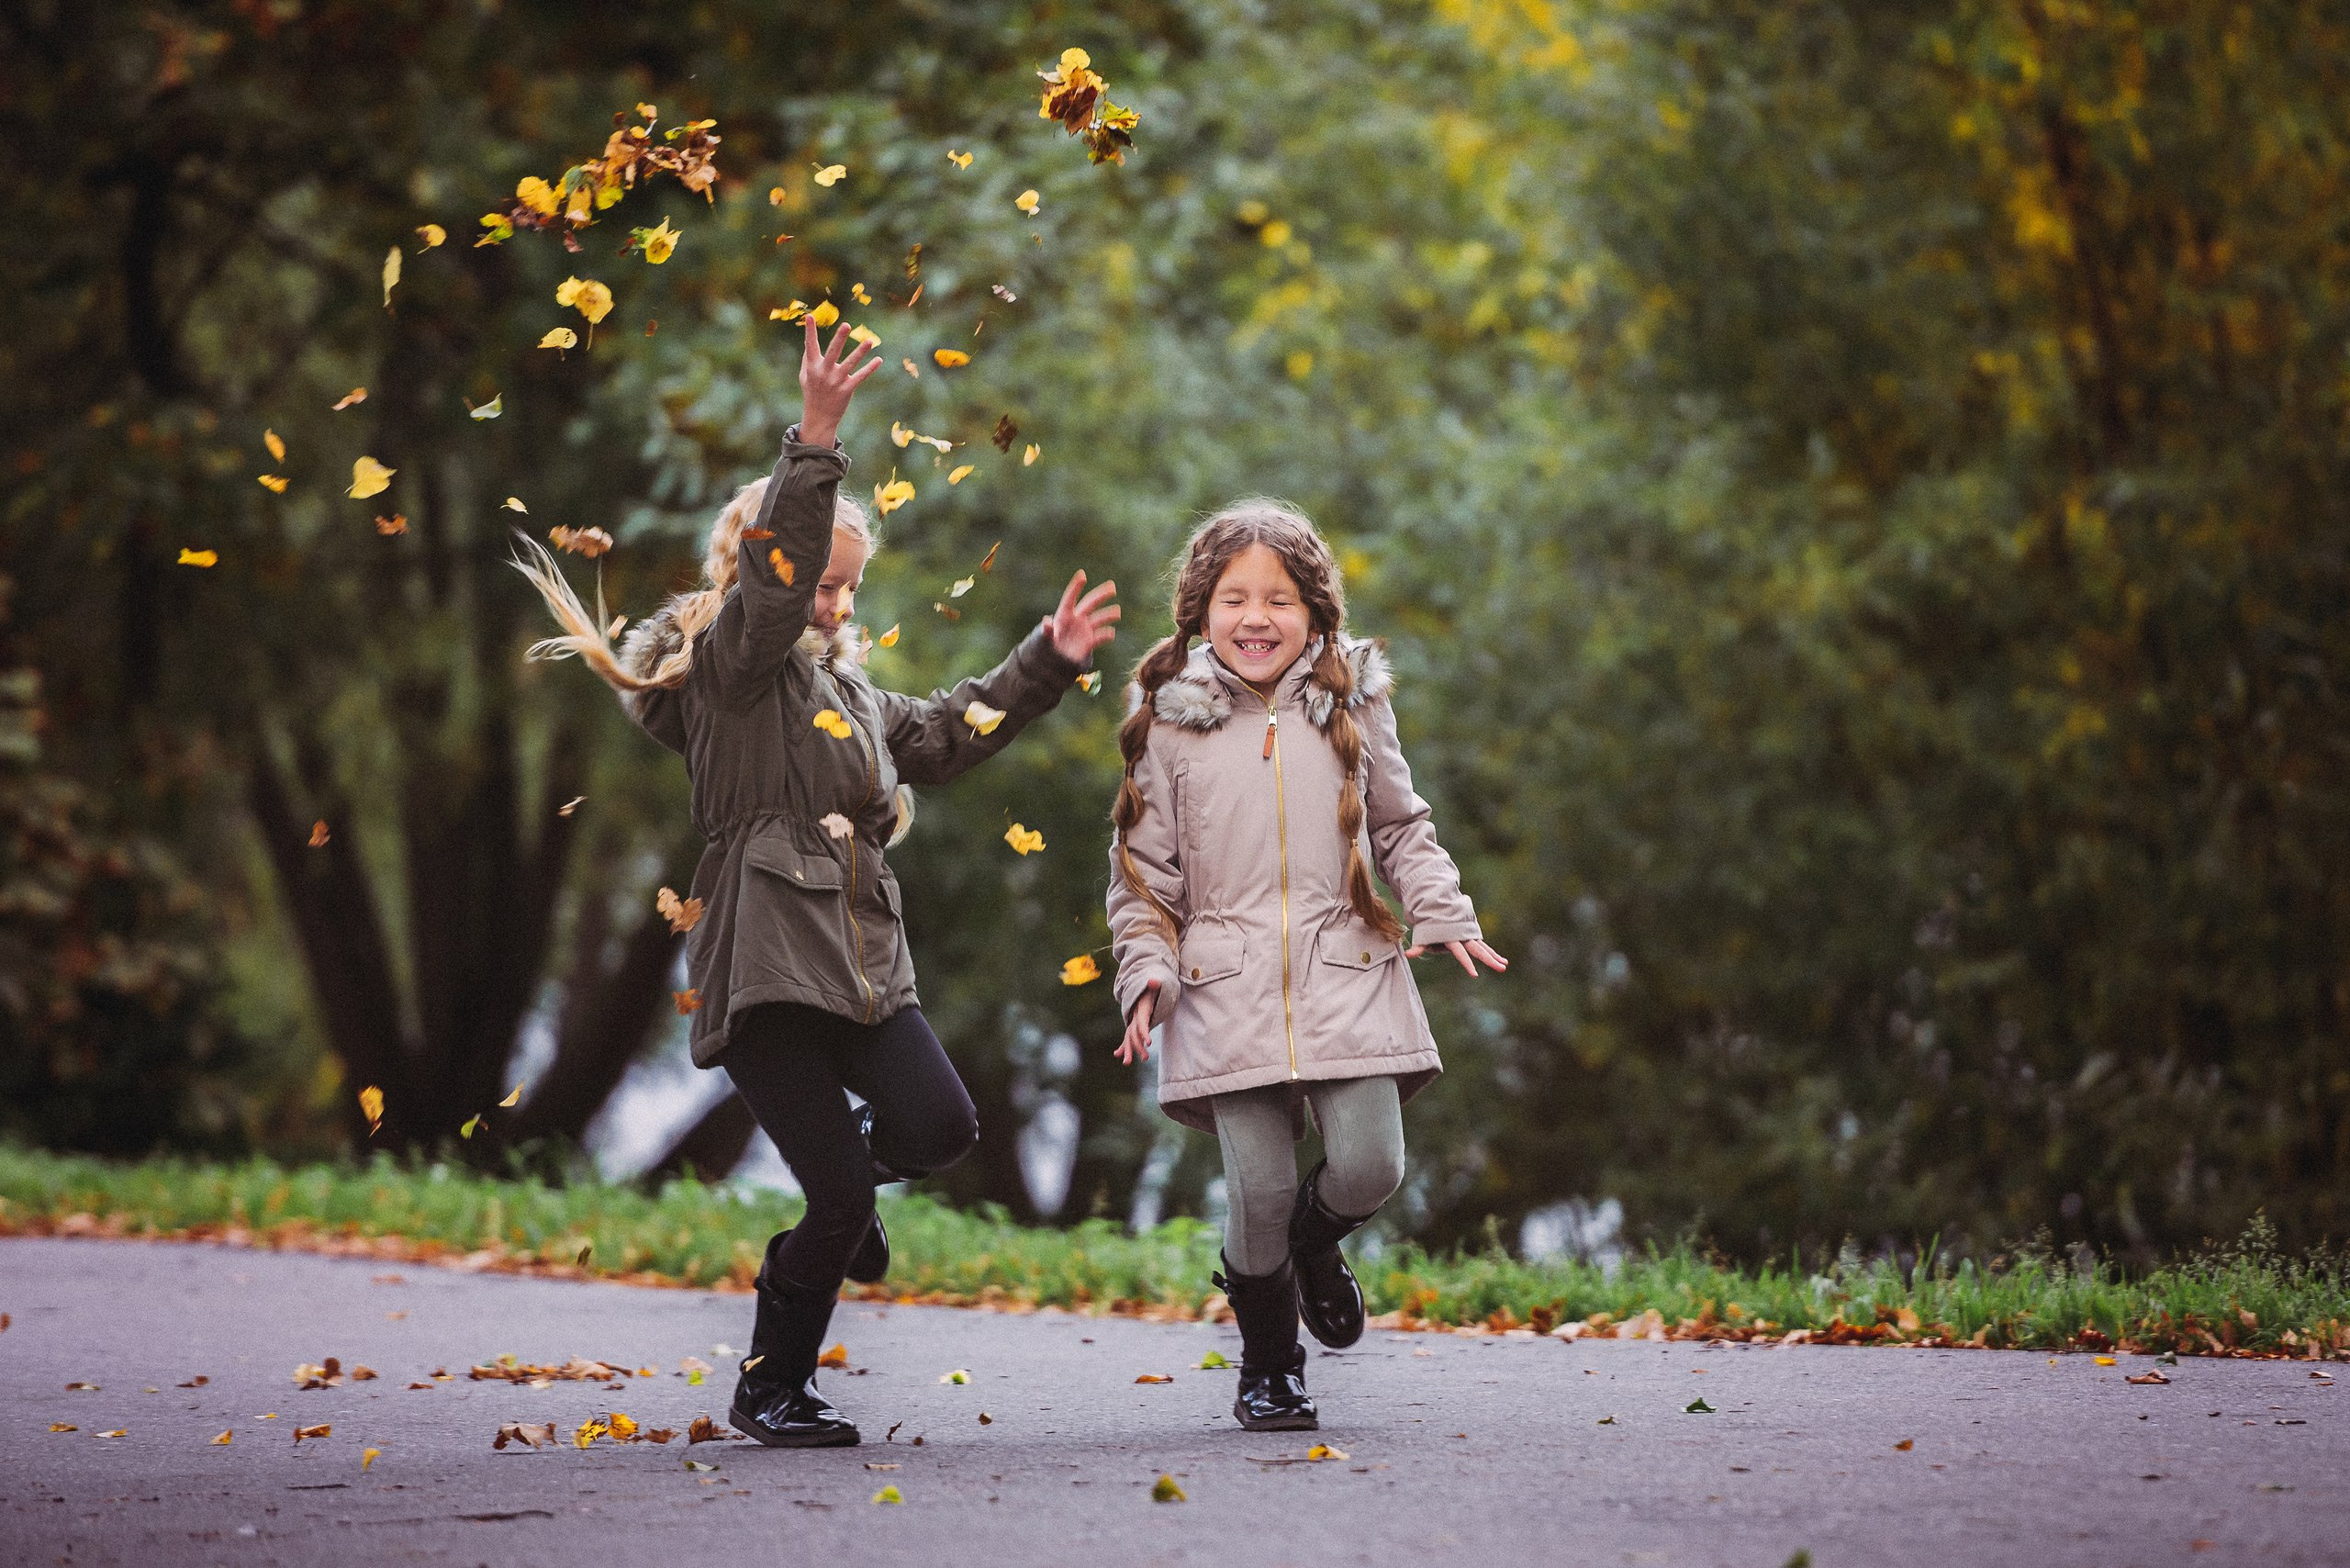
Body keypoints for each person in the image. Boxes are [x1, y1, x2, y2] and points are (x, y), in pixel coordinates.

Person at [516, 320, 1121, 1446]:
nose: (836, 608)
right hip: (764, 971)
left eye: (851, 590)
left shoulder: (852, 698)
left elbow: (943, 732)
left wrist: (1046, 660)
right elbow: (776, 585)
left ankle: (847, 1193)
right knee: (837, 1201)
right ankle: (770, 1386)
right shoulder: (732, 680)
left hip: (860, 963)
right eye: (822, 589)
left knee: (940, 1126)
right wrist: (819, 441)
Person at [1104, 499, 1505, 1432]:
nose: (1256, 618)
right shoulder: (1166, 720)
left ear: (1315, 608)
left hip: (1347, 962)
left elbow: (1401, 823)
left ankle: (1309, 1249)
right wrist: (1145, 975)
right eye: (1233, 598)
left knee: (1369, 1165)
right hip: (1220, 982)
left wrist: (1440, 909)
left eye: (1278, 599)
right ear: (1200, 611)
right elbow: (1141, 878)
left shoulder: (1354, 697)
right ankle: (1270, 1365)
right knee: (1260, 1185)